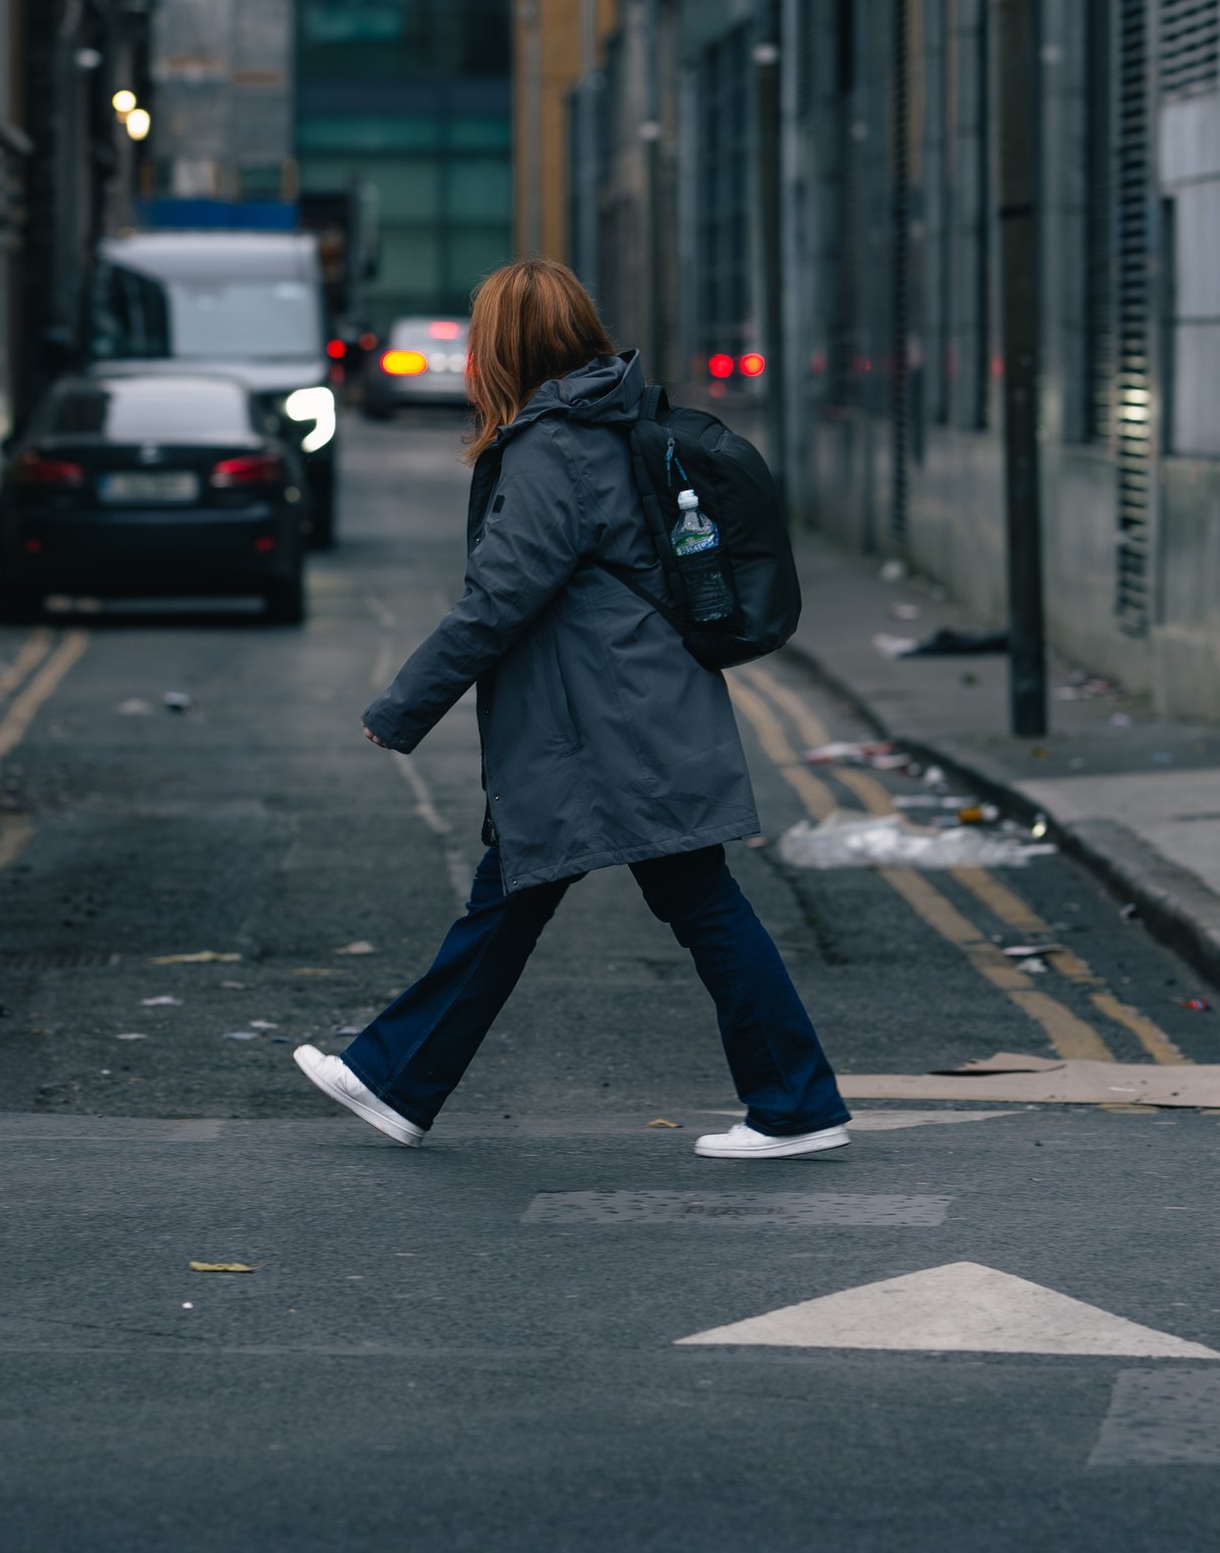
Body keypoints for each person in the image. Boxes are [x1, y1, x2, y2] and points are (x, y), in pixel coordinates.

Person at [294, 259, 850, 1158]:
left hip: (607, 727)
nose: (471, 357)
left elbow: (500, 595)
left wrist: (404, 704)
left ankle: (798, 1104)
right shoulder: (598, 420)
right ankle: (396, 1077)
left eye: (481, 339)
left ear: (510, 346)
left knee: (689, 904)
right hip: (614, 715)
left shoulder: (555, 444)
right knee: (522, 899)